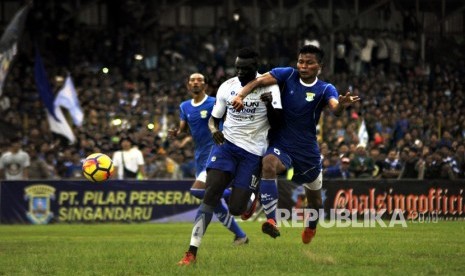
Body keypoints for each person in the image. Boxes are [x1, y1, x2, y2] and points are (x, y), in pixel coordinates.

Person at [230, 44, 360, 243]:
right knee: (269, 163)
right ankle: (272, 221)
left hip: (307, 153)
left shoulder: (325, 88)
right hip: (282, 144)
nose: (303, 66)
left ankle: (311, 226)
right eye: (301, 61)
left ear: (320, 67)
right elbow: (257, 81)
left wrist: (341, 105)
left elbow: (335, 107)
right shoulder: (287, 75)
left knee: (315, 202)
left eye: (309, 63)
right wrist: (240, 95)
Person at [178, 47, 281, 266]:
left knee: (236, 209)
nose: (241, 72)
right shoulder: (227, 86)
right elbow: (214, 119)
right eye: (238, 68)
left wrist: (269, 104)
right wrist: (215, 130)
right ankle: (191, 252)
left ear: (256, 67)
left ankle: (250, 198)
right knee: (210, 194)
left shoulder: (271, 86)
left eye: (246, 69)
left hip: (253, 153)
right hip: (226, 147)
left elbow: (278, 123)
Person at [168, 73, 248, 248]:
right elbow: (184, 128)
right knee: (214, 203)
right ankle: (241, 236)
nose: (195, 83)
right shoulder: (184, 106)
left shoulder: (214, 102)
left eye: (199, 80)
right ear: (188, 85)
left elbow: (228, 118)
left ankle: (239, 196)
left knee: (197, 191)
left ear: (205, 85)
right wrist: (177, 133)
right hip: (199, 157)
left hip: (216, 153)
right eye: (192, 80)